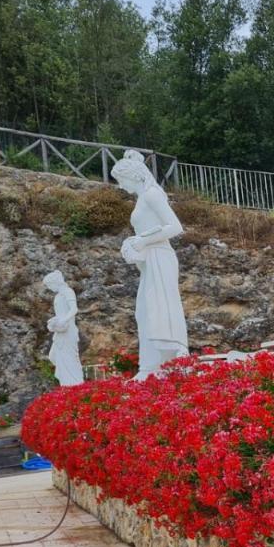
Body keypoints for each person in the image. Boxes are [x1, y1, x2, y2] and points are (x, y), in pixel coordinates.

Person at [110, 150, 188, 378]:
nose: (121, 187)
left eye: (122, 181)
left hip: (161, 256)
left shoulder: (152, 194)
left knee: (160, 308)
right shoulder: (144, 196)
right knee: (144, 312)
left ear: (132, 176)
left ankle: (169, 361)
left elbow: (175, 227)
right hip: (150, 258)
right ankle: (150, 367)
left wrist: (142, 240)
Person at [42, 270, 83, 386]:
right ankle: (66, 383)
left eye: (50, 285)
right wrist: (54, 321)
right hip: (60, 331)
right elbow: (60, 313)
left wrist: (64, 320)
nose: (49, 288)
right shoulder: (58, 296)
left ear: (56, 282)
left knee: (69, 358)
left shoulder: (68, 292)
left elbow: (74, 309)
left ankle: (74, 384)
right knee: (54, 356)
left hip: (68, 330)